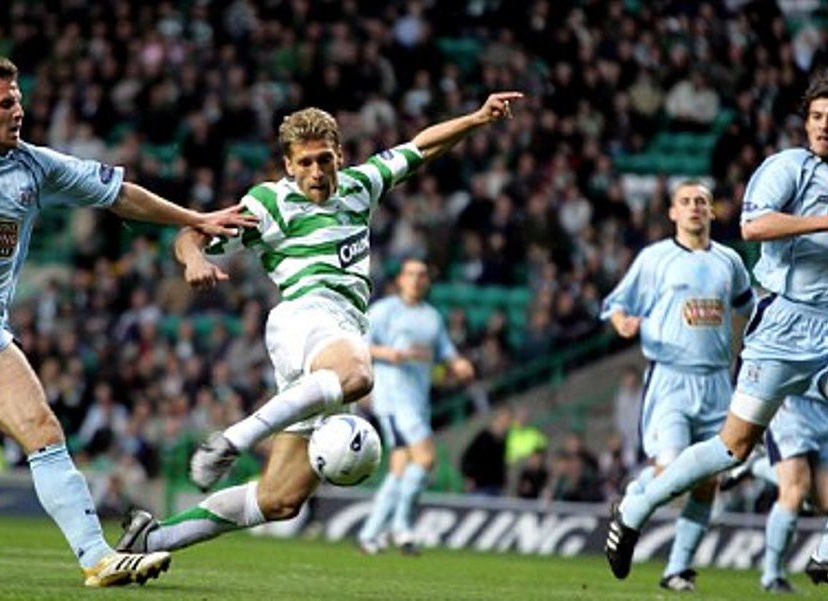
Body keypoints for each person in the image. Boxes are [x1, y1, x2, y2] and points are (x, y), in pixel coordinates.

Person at [0, 57, 256, 587]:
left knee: (44, 432)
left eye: (19, 98)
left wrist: (195, 220)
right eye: (7, 102)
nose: (19, 109)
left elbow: (120, 194)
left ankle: (98, 558)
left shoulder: (34, 165)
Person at [114, 91, 523, 553]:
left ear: (339, 157)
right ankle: (234, 438)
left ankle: (151, 539)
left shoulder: (360, 185)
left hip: (337, 335)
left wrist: (476, 118)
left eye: (324, 160)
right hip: (305, 317)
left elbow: (422, 147)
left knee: (282, 498)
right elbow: (193, 233)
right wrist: (193, 261)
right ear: (288, 165)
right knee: (358, 375)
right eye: (304, 162)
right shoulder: (269, 202)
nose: (315, 171)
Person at [605, 70, 828, 601]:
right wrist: (823, 221)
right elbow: (752, 227)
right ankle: (636, 508)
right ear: (806, 123)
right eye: (816, 117)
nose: (824, 126)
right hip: (783, 323)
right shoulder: (785, 168)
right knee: (733, 448)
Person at [600, 179, 754, 591]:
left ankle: (677, 569)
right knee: (671, 471)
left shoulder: (730, 262)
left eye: (701, 201)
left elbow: (748, 308)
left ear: (712, 211)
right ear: (672, 212)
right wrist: (623, 322)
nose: (694, 208)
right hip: (669, 379)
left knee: (707, 480)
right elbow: (616, 303)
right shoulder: (655, 259)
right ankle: (633, 504)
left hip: (717, 381)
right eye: (685, 202)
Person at [356, 258, 475, 555]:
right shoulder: (384, 311)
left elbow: (445, 350)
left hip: (419, 400)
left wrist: (458, 363)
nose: (417, 279)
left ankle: (370, 534)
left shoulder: (432, 317)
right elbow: (359, 343)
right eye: (411, 274)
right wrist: (389, 353)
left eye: (423, 274)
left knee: (399, 468)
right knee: (426, 459)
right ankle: (402, 527)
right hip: (394, 399)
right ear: (400, 280)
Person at [759, 392, 828, 593]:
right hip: (791, 408)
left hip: (827, 413)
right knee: (794, 492)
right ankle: (772, 576)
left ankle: (757, 466)